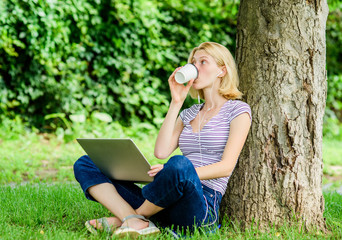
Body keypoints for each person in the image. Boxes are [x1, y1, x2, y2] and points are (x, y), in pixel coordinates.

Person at [73, 42, 252, 238]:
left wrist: (178, 172)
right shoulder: (189, 113)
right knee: (87, 163)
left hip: (201, 204)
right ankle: (136, 219)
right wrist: (176, 102)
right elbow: (161, 152)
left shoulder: (238, 110)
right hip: (164, 197)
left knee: (179, 164)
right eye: (193, 62)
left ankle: (133, 218)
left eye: (203, 62)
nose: (195, 67)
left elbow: (226, 167)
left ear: (222, 70)